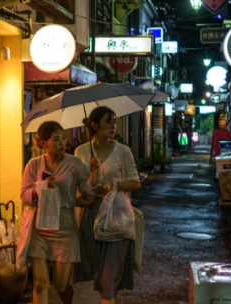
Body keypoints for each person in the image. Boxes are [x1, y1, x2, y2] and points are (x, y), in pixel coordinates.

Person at [18, 121, 94, 304]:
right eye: (56, 139)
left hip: (65, 228)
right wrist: (40, 189)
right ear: (43, 142)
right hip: (40, 229)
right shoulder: (34, 165)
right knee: (40, 283)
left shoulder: (75, 164)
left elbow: (88, 192)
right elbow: (24, 195)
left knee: (60, 285)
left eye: (64, 138)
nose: (62, 143)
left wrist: (94, 172)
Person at [74, 106, 141, 304]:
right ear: (94, 125)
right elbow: (80, 188)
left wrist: (113, 185)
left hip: (117, 216)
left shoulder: (123, 150)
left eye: (114, 121)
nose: (113, 125)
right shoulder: (81, 151)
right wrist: (92, 174)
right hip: (90, 216)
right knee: (101, 276)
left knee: (109, 278)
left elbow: (135, 183)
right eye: (108, 121)